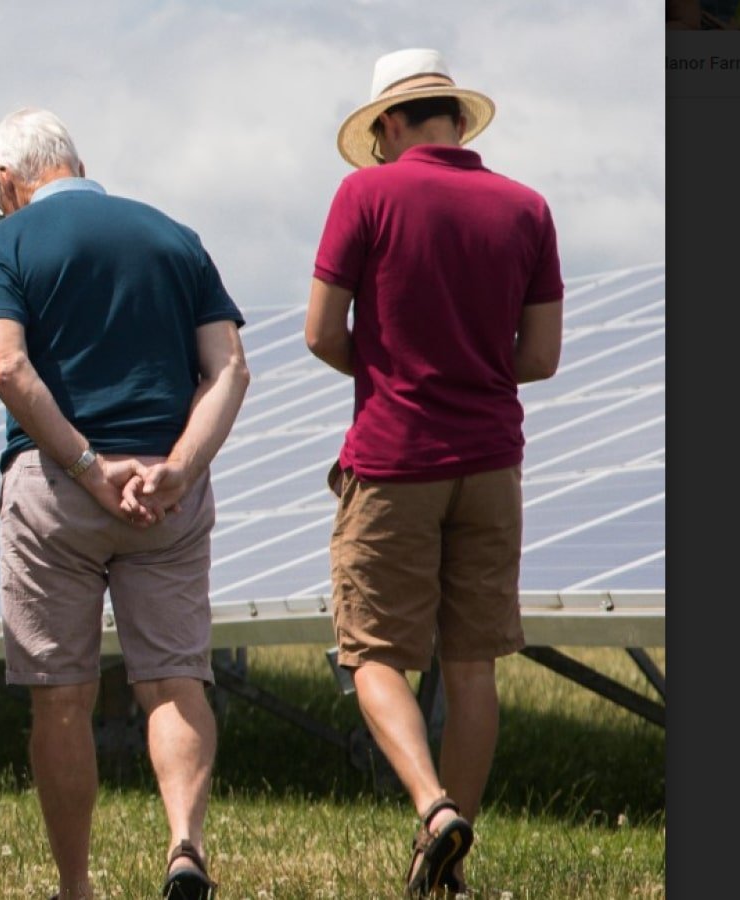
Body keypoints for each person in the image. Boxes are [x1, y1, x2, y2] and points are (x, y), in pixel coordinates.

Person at [0, 107, 249, 900]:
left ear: (5, 180)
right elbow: (230, 368)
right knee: (173, 680)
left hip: (58, 492)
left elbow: (10, 371)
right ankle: (185, 847)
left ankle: (76, 887)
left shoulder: (2, 245)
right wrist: (180, 469)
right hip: (165, 494)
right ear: (75, 161)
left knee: (63, 699)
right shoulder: (172, 236)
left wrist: (91, 467)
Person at [306, 48, 563, 898]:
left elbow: (319, 331)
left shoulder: (366, 194)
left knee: (373, 651)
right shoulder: (528, 208)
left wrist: (389, 370)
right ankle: (446, 869)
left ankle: (431, 807)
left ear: (387, 125)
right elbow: (542, 356)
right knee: (474, 663)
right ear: (458, 118)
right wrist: (469, 371)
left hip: (393, 457)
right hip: (492, 460)